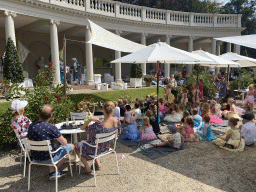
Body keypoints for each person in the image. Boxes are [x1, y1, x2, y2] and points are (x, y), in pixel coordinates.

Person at [28, 104, 74, 179]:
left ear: (39, 114)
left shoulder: (31, 126)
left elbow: (30, 139)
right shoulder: (50, 127)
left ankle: (53, 170)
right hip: (48, 157)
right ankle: (53, 170)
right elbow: (64, 143)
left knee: (55, 143)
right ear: (51, 116)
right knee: (71, 146)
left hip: (35, 157)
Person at [75, 101, 120, 174]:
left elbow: (82, 128)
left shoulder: (98, 125)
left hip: (96, 149)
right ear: (113, 109)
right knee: (95, 143)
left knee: (76, 146)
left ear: (103, 110)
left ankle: (87, 167)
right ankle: (97, 163)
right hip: (106, 147)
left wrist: (90, 119)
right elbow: (118, 134)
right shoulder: (117, 121)